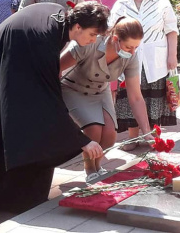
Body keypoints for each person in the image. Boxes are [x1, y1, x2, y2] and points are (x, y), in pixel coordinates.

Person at [0, 1, 108, 226]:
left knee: (22, 122)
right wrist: (81, 140)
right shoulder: (43, 38)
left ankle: (12, 196)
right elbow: (46, 100)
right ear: (77, 26)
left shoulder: (59, 21)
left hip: (12, 54)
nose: (93, 39)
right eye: (92, 34)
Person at [60, 16, 152, 181]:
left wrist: (146, 132)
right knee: (94, 129)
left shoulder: (131, 56)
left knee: (110, 135)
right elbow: (56, 66)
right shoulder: (91, 43)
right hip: (73, 88)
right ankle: (90, 171)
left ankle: (98, 166)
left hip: (100, 90)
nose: (132, 52)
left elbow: (136, 96)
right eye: (129, 46)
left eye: (136, 47)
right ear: (115, 39)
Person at [109, 0, 179, 148]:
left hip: (155, 57)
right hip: (128, 56)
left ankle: (153, 135)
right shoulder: (121, 3)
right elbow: (112, 31)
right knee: (131, 95)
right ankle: (133, 137)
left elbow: (172, 30)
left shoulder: (161, 0)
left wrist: (173, 55)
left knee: (154, 95)